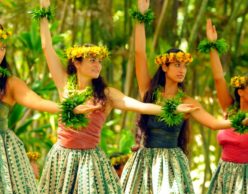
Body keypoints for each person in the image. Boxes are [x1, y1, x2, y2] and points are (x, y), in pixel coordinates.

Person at [38, 0, 199, 193]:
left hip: (90, 162)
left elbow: (141, 106)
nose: (98, 65)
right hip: (61, 159)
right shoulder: (64, 83)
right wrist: (44, 12)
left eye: (99, 61)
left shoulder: (107, 94)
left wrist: (172, 108)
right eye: (92, 60)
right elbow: (47, 47)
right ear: (77, 62)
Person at [120, 1, 248, 194]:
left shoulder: (187, 102)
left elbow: (213, 123)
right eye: (177, 65)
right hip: (145, 161)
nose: (182, 70)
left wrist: (242, 120)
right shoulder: (148, 90)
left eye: (184, 66)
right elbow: (139, 53)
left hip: (172, 163)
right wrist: (141, 17)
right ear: (165, 67)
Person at [0, 24, 89, 194]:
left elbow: (38, 101)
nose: (0, 52)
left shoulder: (10, 83)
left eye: (3, 47)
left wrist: (69, 109)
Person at [205, 18, 248, 194]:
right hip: (224, 174)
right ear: (241, 91)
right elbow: (218, 78)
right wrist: (212, 46)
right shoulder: (229, 109)